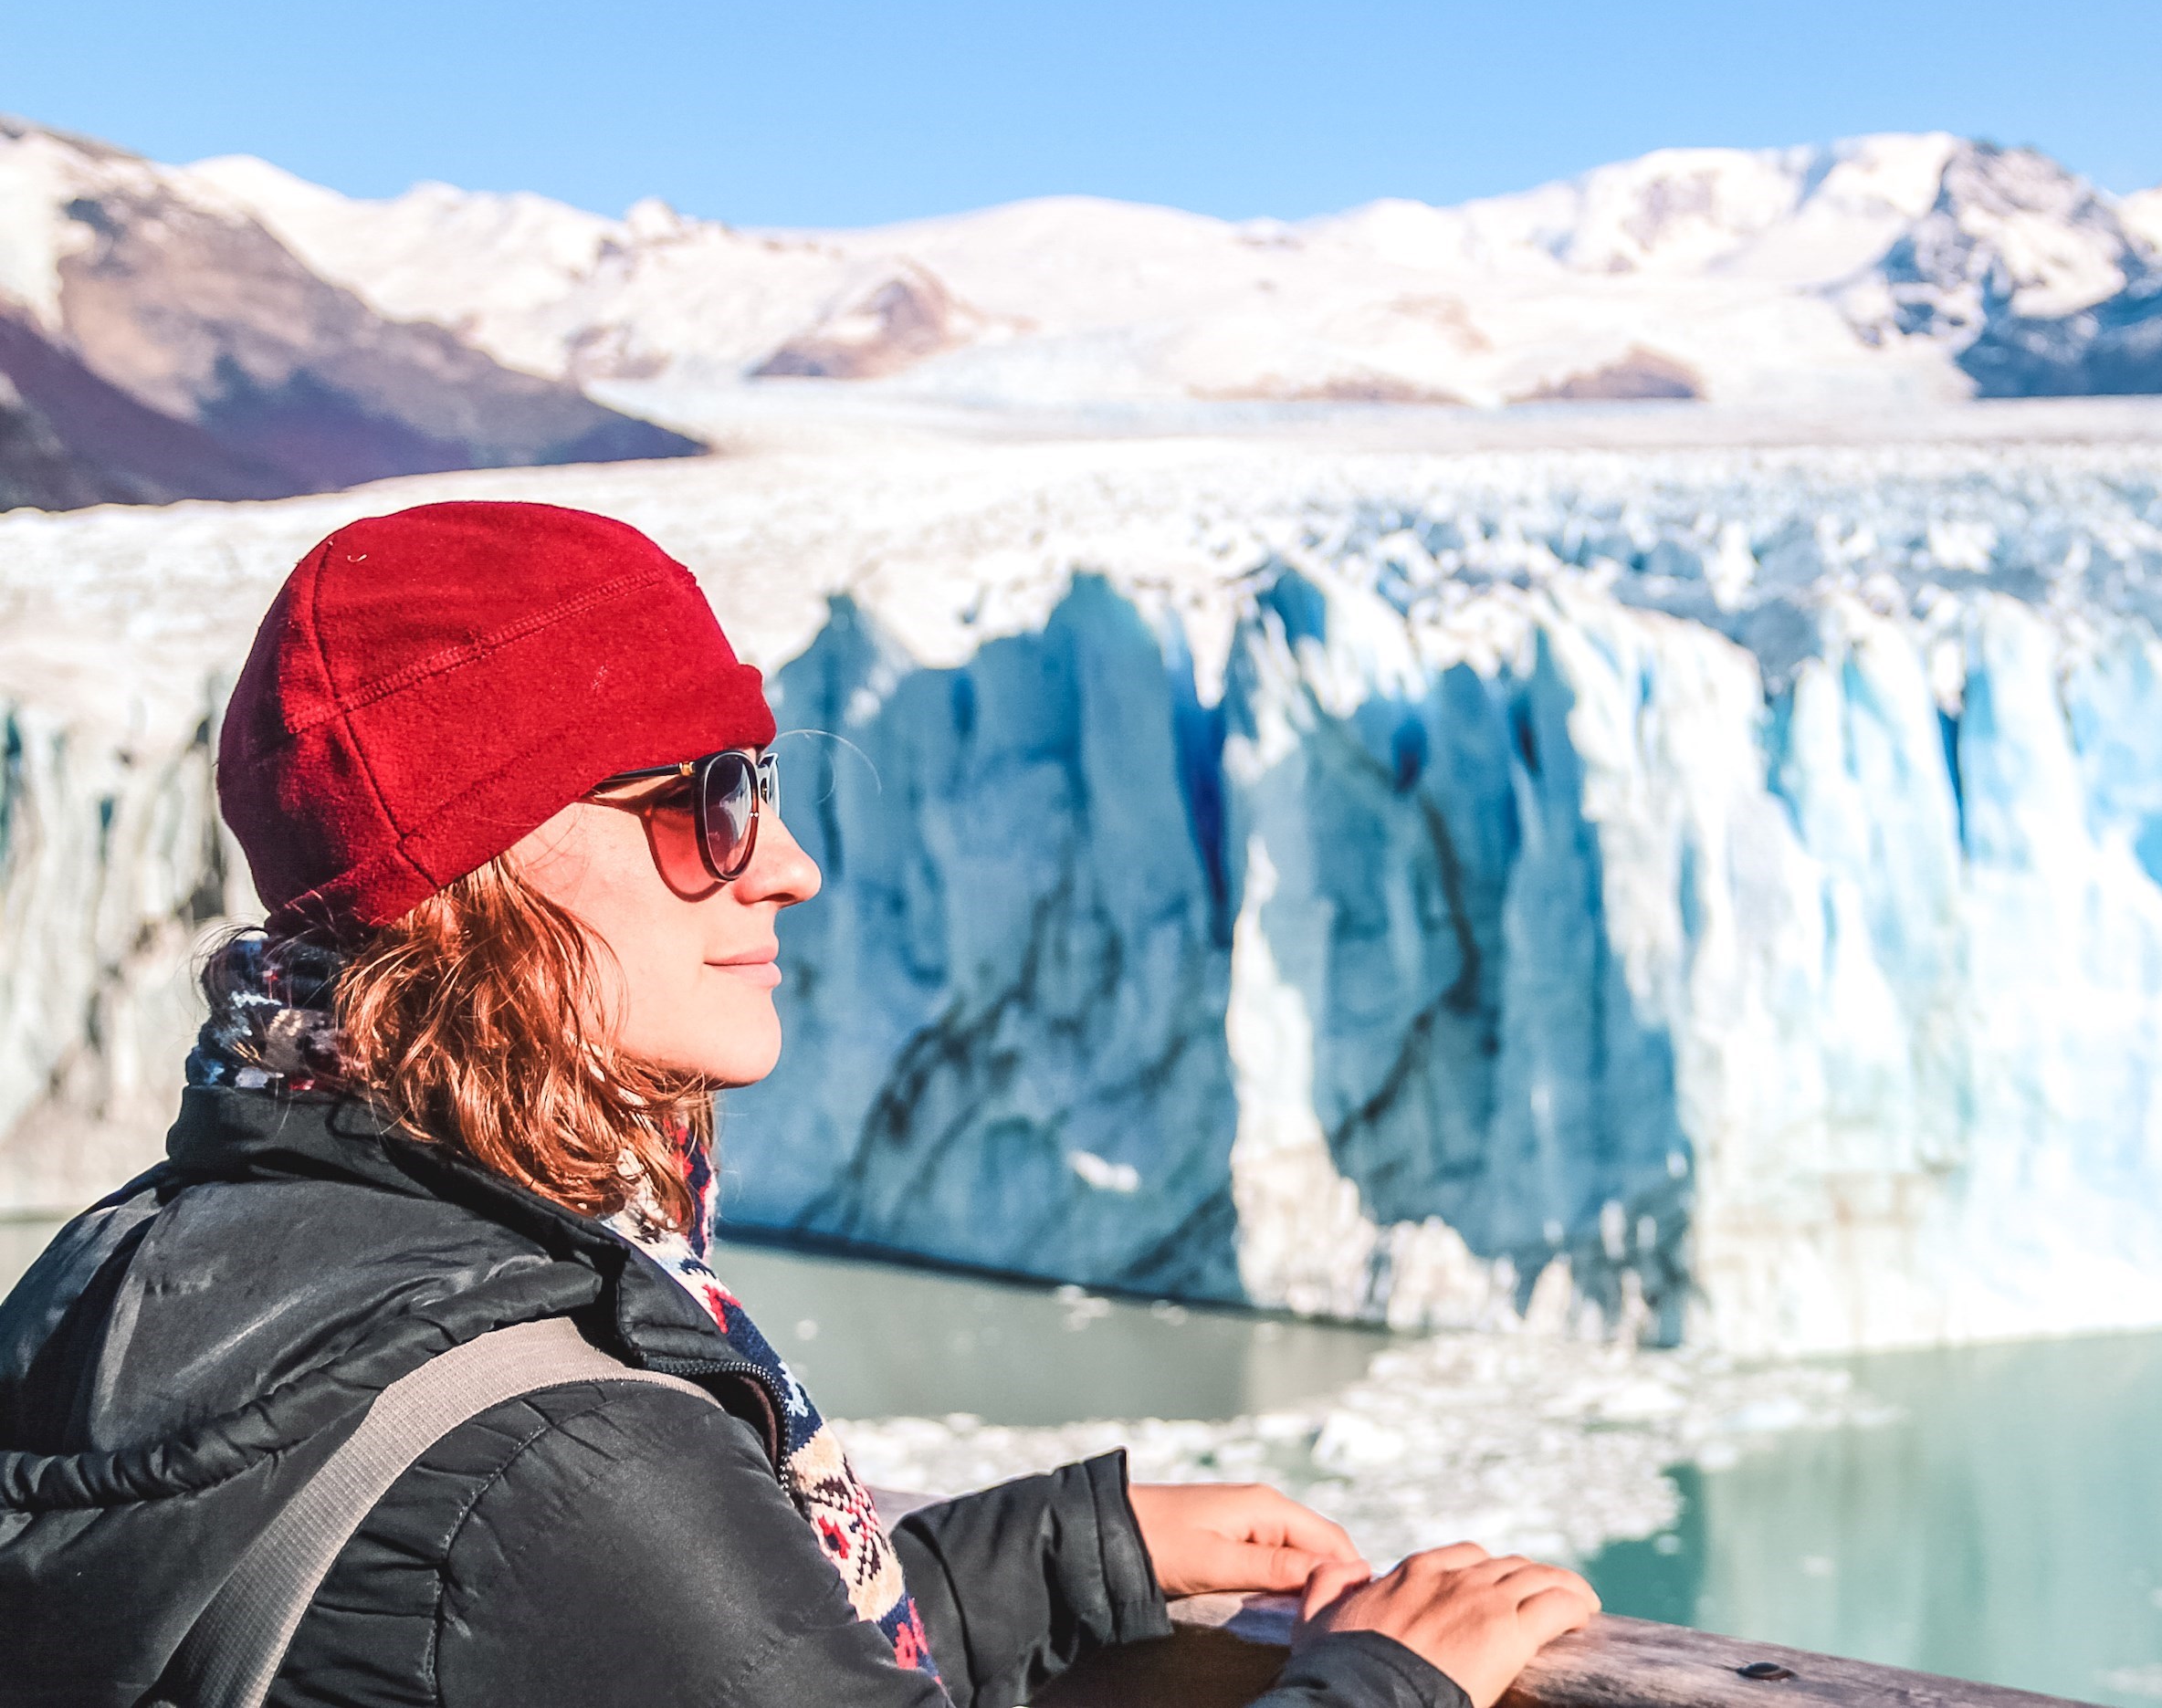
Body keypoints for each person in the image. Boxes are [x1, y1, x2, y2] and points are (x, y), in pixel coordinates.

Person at [0, 500, 1598, 1708]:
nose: (786, 862)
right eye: (707, 798)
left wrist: (1063, 1551)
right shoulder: (558, 1460)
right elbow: (586, 1573)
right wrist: (1385, 1679)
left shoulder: (135, 1264)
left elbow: (661, 1650)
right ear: (481, 865)